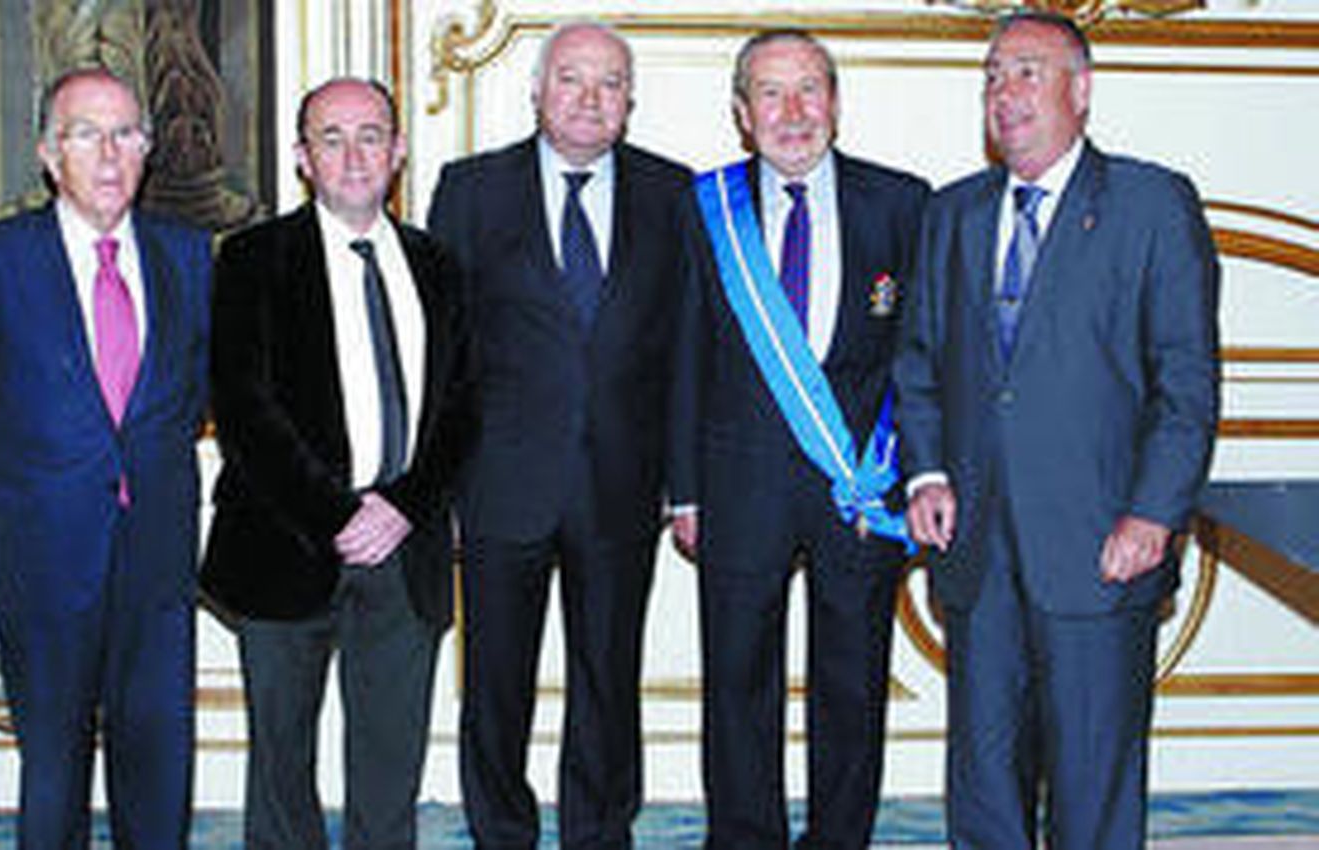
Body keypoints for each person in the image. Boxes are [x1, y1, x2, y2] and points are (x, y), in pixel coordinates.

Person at [893, 12, 1220, 849]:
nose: (1006, 93)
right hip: (977, 552)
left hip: (1101, 543)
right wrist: (927, 474)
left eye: (1027, 72)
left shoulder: (1153, 203)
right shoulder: (954, 212)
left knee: (1093, 782)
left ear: (1082, 89)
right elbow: (921, 361)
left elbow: (1185, 383)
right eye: (994, 76)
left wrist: (1153, 514)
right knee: (984, 780)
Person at [0, 67, 210, 849]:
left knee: (158, 763)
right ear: (51, 154)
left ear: (147, 150)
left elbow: (195, 394)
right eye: (87, 133)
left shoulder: (189, 257)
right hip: (43, 556)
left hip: (157, 555)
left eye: (126, 134)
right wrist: (27, 482)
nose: (110, 154)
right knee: (53, 771)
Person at [427, 21, 696, 850]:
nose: (589, 97)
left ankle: (598, 829)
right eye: (572, 79)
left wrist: (684, 486)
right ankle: (500, 830)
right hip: (503, 483)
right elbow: (443, 348)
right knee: (497, 683)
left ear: (630, 101)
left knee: (609, 679)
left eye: (609, 82)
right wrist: (443, 483)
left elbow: (688, 348)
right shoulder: (471, 189)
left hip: (623, 485)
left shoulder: (673, 192)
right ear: (537, 91)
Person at [198, 77, 473, 850]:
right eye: (332, 137)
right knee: (282, 767)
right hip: (284, 542)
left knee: (390, 764)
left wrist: (402, 506)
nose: (354, 154)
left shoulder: (438, 265)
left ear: (399, 151)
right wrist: (340, 514)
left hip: (404, 549)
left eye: (371, 135)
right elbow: (245, 409)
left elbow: (462, 406)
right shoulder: (251, 258)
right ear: (302, 158)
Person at [673, 29, 930, 850]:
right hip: (737, 486)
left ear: (836, 103)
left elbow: (921, 358)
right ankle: (744, 838)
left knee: (852, 683)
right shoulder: (703, 208)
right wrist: (684, 489)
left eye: (810, 90)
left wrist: (918, 474)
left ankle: (839, 838)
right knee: (738, 681)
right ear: (743, 114)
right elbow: (681, 357)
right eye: (772, 95)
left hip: (860, 484)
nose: (793, 113)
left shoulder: (901, 202)